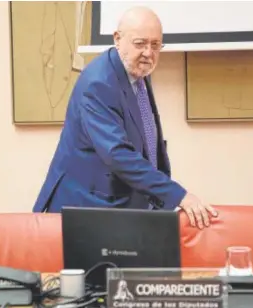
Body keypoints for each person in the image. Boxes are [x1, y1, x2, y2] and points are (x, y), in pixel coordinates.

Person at [32, 6, 217, 229]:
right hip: (84, 210)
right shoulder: (98, 84)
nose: (149, 53)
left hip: (117, 207)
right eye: (140, 43)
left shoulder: (136, 71)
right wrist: (178, 195)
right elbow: (118, 154)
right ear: (117, 39)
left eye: (156, 45)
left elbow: (146, 141)